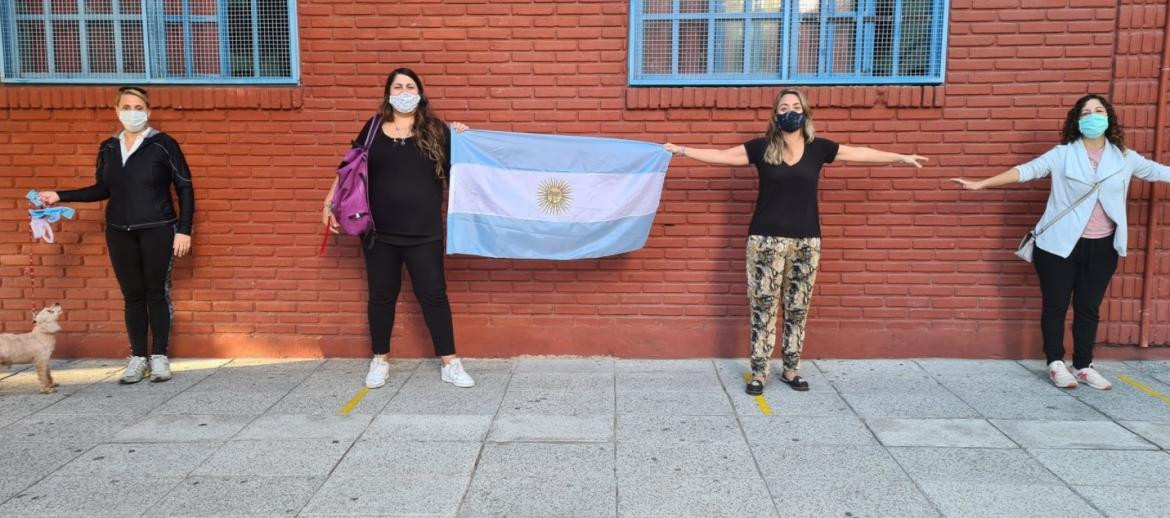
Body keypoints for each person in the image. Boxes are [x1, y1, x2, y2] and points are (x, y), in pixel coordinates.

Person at [664, 89, 926, 395]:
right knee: (763, 307)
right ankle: (759, 373)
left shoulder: (818, 149)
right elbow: (722, 157)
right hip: (764, 240)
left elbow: (859, 152)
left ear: (806, 113)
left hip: (806, 242)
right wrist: (680, 149)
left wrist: (900, 157)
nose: (790, 111)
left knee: (798, 308)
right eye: (784, 107)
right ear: (776, 114)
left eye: (796, 106)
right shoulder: (762, 148)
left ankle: (790, 369)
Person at [951, 94, 1170, 390]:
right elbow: (1026, 171)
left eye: (1099, 111)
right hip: (1058, 246)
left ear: (1109, 119)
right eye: (1086, 112)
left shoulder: (1124, 158)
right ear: (1077, 121)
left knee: (1088, 307)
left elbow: (1159, 172)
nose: (1093, 116)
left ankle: (1083, 365)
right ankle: (1055, 362)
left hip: (1103, 246)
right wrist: (983, 183)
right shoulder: (1063, 154)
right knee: (1055, 305)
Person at [322, 68, 474, 389]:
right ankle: (380, 359)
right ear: (388, 93)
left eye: (410, 86)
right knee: (381, 296)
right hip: (379, 232)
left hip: (424, 232)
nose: (404, 91)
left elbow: (465, 168)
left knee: (433, 296)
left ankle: (450, 362)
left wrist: (463, 136)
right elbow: (349, 166)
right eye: (398, 86)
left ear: (420, 91)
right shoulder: (374, 126)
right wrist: (329, 202)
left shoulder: (436, 130)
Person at [38, 86, 194, 384]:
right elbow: (102, 189)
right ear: (117, 110)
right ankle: (137, 357)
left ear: (147, 111)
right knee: (132, 296)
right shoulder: (108, 147)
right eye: (127, 107)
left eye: (138, 107)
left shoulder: (163, 144)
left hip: (158, 229)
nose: (132, 112)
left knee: (156, 293)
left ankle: (159, 357)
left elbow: (184, 187)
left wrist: (183, 230)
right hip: (120, 232)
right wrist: (59, 195)